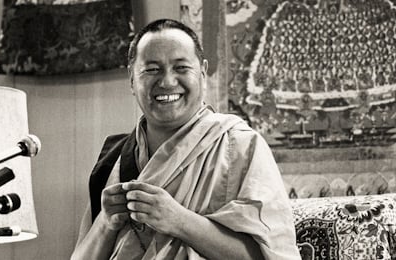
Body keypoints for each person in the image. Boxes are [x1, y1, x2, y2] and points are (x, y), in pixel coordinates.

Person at [71, 19, 301, 260]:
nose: (167, 82)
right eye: (152, 69)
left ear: (202, 72)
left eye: (181, 68)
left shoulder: (240, 146)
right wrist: (106, 224)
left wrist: (179, 220)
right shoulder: (114, 158)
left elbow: (270, 256)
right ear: (131, 78)